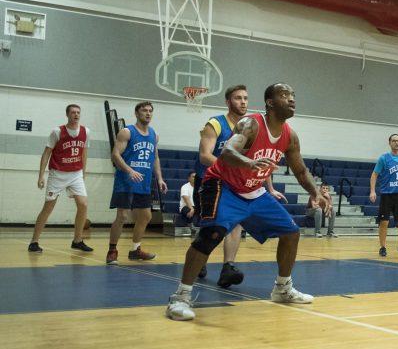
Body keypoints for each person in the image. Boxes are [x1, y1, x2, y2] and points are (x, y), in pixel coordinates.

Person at [166, 83, 328, 321]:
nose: (292, 99)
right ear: (270, 103)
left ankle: (282, 288)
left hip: (253, 191)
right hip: (223, 185)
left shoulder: (289, 135)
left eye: (293, 95)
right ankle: (180, 298)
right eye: (285, 95)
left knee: (291, 232)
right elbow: (227, 152)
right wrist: (248, 163)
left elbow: (301, 170)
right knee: (212, 234)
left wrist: (315, 192)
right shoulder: (250, 124)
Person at [195, 85, 284, 287]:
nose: (243, 102)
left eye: (245, 98)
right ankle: (200, 258)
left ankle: (228, 266)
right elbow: (204, 156)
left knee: (236, 223)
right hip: (212, 180)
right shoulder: (215, 124)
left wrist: (269, 188)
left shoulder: (252, 126)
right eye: (238, 98)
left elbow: (260, 160)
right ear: (228, 102)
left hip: (238, 183)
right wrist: (235, 167)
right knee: (211, 226)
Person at [108, 101, 166, 264]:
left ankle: (135, 250)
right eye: (144, 110)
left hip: (144, 183)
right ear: (136, 113)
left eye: (150, 111)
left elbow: (155, 157)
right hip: (126, 181)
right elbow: (115, 155)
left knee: (146, 216)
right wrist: (130, 171)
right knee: (122, 216)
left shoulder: (154, 135)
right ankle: (112, 250)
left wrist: (160, 178)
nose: (148, 113)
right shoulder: (127, 132)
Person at [29, 104, 92, 253]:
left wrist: (83, 172)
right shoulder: (57, 132)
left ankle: (77, 240)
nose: (76, 115)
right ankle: (34, 241)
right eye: (73, 112)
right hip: (58, 173)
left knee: (83, 204)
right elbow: (46, 154)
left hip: (76, 173)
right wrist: (41, 175)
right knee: (48, 207)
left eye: (78, 112)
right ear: (67, 115)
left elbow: (83, 153)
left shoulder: (86, 131)